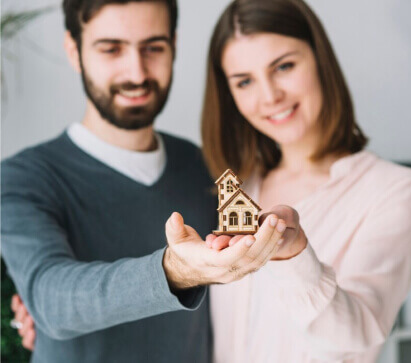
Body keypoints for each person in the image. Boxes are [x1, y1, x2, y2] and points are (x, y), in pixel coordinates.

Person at [1, 0, 294, 361]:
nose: (136, 73)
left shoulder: (208, 168)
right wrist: (175, 271)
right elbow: (51, 301)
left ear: (174, 46)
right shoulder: (22, 178)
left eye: (153, 48)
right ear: (74, 51)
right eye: (111, 49)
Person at [200, 0, 411, 362]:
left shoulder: (399, 191)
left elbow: (357, 334)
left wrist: (294, 256)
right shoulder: (235, 190)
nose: (269, 96)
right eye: (244, 81)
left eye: (284, 66)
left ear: (320, 59)